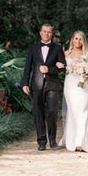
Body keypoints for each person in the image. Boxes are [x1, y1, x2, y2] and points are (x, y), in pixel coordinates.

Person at [20, 22, 66, 151]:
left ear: (52, 34)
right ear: (40, 33)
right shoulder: (33, 48)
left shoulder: (57, 48)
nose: (47, 34)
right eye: (44, 31)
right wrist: (24, 83)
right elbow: (27, 67)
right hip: (36, 85)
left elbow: (62, 67)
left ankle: (52, 140)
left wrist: (50, 69)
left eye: (49, 32)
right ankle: (41, 141)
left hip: (52, 85)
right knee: (38, 113)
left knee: (52, 112)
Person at [58, 30, 88, 153]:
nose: (78, 41)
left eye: (80, 39)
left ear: (83, 41)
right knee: (73, 112)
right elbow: (58, 66)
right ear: (72, 40)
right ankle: (73, 141)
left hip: (84, 86)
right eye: (76, 38)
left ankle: (81, 143)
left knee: (83, 111)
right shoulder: (66, 53)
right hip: (70, 86)